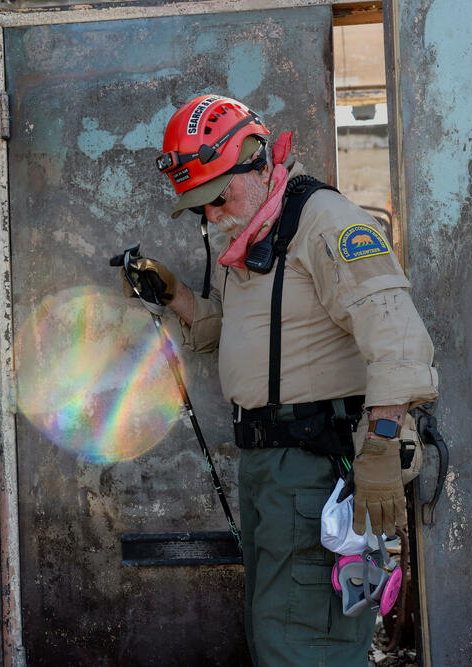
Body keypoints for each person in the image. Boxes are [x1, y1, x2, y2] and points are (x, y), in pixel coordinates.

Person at [120, 94, 438, 666]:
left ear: (257, 159)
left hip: (316, 465)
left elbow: (398, 337)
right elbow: (236, 336)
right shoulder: (253, 235)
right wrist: (174, 295)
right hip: (270, 469)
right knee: (276, 633)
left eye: (217, 197)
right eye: (200, 208)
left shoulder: (325, 223)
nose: (213, 215)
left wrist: (383, 443)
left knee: (303, 644)